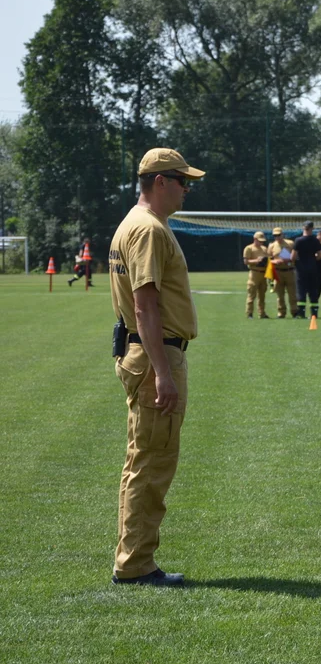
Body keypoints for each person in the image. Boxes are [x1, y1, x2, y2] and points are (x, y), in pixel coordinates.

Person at [107, 147, 203, 586]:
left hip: (142, 352)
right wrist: (164, 373)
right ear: (160, 181)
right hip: (154, 354)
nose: (187, 188)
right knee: (152, 462)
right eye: (183, 181)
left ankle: (135, 559)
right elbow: (146, 306)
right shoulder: (148, 229)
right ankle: (136, 565)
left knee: (142, 459)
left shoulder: (136, 222)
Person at [292, 221, 321, 318]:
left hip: (301, 269)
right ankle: (314, 313)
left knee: (301, 291)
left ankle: (301, 313)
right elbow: (319, 256)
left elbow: (293, 256)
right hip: (313, 268)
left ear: (303, 228)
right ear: (312, 229)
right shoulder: (315, 241)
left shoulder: (298, 240)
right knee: (313, 290)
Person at [268, 227, 299, 318]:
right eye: (275, 235)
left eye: (278, 235)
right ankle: (281, 313)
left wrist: (288, 260)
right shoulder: (272, 246)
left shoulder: (290, 243)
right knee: (280, 295)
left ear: (283, 234)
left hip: (289, 271)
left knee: (292, 294)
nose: (277, 237)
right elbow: (269, 260)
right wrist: (275, 261)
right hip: (278, 272)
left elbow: (295, 256)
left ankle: (294, 312)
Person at [242, 231, 270, 319]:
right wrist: (257, 260)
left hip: (263, 273)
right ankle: (249, 313)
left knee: (262, 295)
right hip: (254, 273)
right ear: (254, 239)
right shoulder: (249, 248)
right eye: (259, 240)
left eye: (262, 241)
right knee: (251, 294)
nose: (261, 242)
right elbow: (246, 261)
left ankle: (262, 313)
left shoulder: (264, 249)